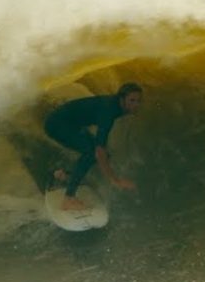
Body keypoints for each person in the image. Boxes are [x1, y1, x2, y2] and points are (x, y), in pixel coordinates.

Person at [44, 82, 142, 210]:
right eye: (132, 100)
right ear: (121, 98)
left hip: (71, 124)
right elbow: (99, 152)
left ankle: (62, 174)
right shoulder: (109, 111)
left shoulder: (116, 105)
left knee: (100, 154)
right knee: (92, 153)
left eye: (138, 101)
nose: (136, 105)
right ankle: (69, 198)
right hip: (56, 124)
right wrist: (115, 180)